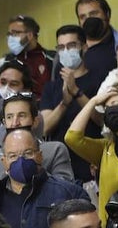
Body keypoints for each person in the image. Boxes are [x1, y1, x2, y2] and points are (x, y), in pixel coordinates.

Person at [64, 82, 118, 225]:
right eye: (106, 108)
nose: (109, 110)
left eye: (114, 104)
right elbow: (72, 138)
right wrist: (93, 101)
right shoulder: (105, 148)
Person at [0, 93, 75, 199]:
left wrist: (37, 169)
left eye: (21, 116)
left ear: (35, 121)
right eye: (9, 117)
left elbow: (67, 191)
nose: (15, 123)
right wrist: (7, 174)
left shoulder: (55, 149)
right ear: (4, 123)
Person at [40, 25, 105, 185]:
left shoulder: (100, 80)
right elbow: (44, 128)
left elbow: (102, 121)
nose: (66, 51)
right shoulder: (51, 87)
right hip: (63, 168)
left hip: (93, 162)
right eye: (61, 47)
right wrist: (64, 103)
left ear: (84, 47)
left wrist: (76, 92)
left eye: (71, 46)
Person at [1, 15, 54, 96]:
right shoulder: (6, 61)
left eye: (15, 33)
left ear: (30, 35)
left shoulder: (51, 58)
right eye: (9, 34)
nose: (11, 38)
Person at [75, 0, 118, 87]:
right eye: (83, 17)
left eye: (93, 14)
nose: (88, 19)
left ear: (107, 14)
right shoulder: (71, 51)